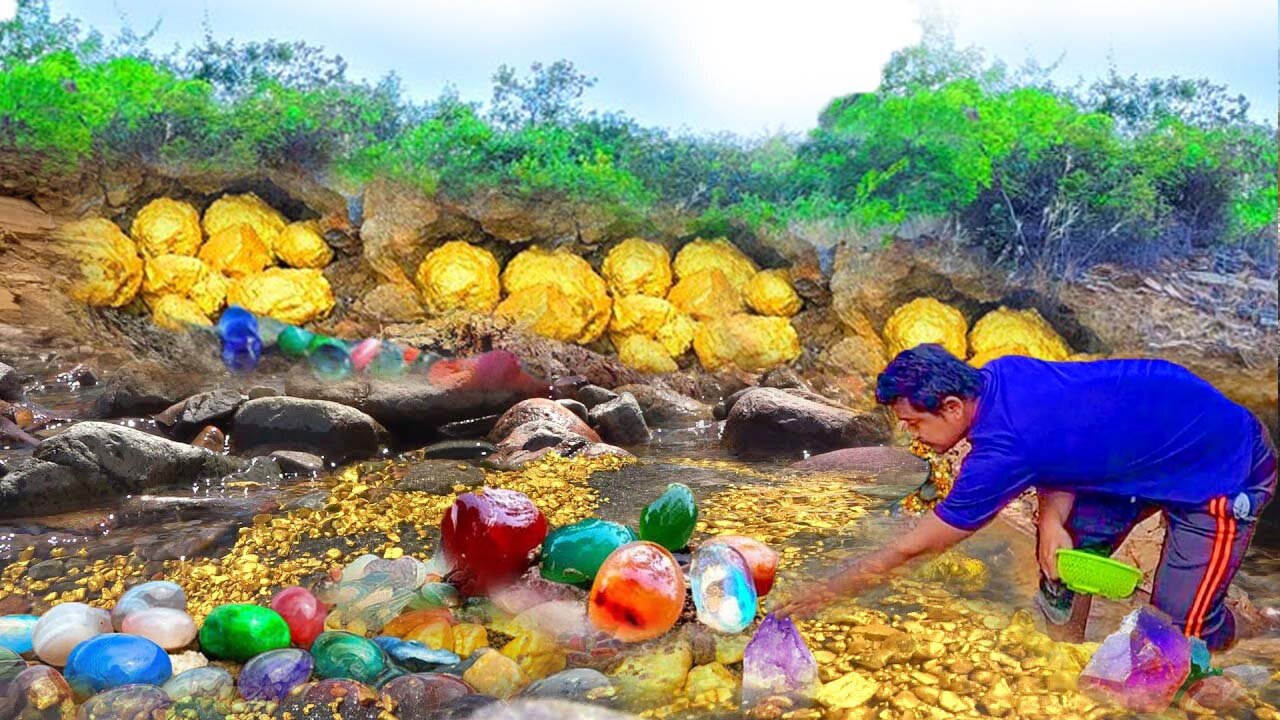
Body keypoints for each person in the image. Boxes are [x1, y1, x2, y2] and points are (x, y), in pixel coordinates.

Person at [777, 344, 1277, 650]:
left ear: (952, 406)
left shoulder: (1000, 453)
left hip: (1220, 464)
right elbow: (1059, 446)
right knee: (1064, 561)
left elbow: (915, 547)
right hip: (1141, 443)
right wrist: (1050, 521)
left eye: (914, 423)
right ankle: (1065, 657)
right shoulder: (1000, 374)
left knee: (1173, 633)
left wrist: (822, 594)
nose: (912, 437)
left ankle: (1250, 639)